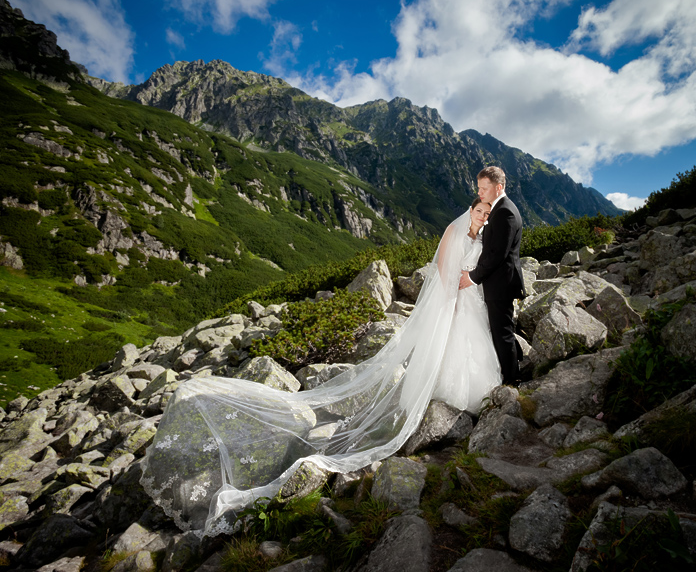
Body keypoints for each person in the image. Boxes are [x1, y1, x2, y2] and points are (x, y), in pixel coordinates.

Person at [140, 198, 501, 538]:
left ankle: (457, 400)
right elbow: (442, 267)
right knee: (442, 347)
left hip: (466, 300)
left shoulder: (479, 234)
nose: (483, 216)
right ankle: (436, 400)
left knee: (464, 349)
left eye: (487, 213)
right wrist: (454, 291)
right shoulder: (455, 231)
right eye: (480, 211)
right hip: (450, 298)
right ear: (470, 210)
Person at [459, 166, 526, 385]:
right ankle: (516, 366)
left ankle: (512, 379)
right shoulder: (501, 208)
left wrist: (472, 277)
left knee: (502, 333)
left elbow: (497, 254)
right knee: (503, 328)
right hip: (500, 282)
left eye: (483, 188)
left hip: (501, 284)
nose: (479, 193)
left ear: (498, 187)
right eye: (478, 188)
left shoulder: (504, 211)